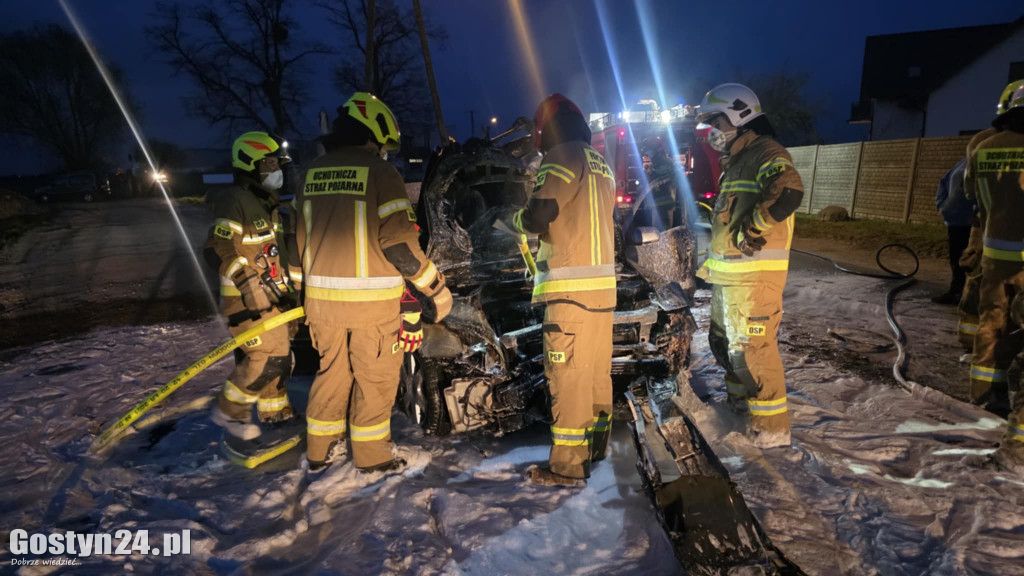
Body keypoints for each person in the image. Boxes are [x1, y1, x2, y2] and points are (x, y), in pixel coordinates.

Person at [292, 92, 451, 473]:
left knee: (331, 374)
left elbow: (295, 242)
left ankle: (320, 452)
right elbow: (399, 247)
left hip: (321, 308)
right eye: (383, 144)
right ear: (374, 132)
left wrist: (302, 295)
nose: (384, 152)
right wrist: (435, 288)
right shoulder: (381, 174)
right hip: (370, 309)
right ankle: (373, 458)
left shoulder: (310, 174)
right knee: (374, 381)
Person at [511, 93, 616, 487]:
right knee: (594, 374)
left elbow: (540, 216)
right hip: (603, 291)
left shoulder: (558, 158)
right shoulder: (599, 161)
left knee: (567, 377)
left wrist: (518, 221)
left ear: (543, 132)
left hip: (570, 290)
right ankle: (597, 448)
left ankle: (568, 468)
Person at [695, 83, 805, 448]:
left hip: (755, 279)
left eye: (715, 121)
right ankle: (739, 408)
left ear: (738, 116)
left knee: (754, 350)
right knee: (725, 345)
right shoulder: (735, 162)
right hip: (730, 280)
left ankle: (772, 432)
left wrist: (755, 226)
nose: (711, 130)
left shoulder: (765, 152)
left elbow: (789, 190)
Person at [205, 132, 297, 439]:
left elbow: (276, 257)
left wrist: (290, 297)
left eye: (277, 163)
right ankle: (230, 412)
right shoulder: (235, 201)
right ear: (250, 164)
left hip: (273, 302)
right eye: (269, 163)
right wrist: (248, 285)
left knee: (282, 360)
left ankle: (275, 414)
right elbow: (216, 247)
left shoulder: (266, 205)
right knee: (269, 358)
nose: (276, 170)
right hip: (246, 304)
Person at [964, 79, 1024, 473]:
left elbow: (972, 197)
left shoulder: (983, 149)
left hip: (995, 254)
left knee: (991, 325)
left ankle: (985, 396)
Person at [957, 124, 1000, 353]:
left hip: (986, 230)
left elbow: (969, 189)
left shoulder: (982, 142)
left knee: (977, 285)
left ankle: (971, 344)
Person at [931, 157, 972, 305]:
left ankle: (969, 294)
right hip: (957, 222)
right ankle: (957, 292)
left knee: (974, 262)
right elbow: (944, 183)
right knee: (957, 259)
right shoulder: (961, 164)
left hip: (978, 224)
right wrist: (943, 206)